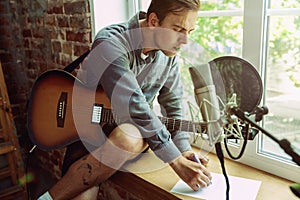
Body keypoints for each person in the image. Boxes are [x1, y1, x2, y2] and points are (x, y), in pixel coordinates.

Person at [38, 0, 212, 199]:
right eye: (178, 29)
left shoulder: (169, 54)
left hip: (129, 132)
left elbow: (173, 106)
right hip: (87, 133)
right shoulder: (110, 42)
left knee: (130, 135)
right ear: (154, 21)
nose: (185, 41)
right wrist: (175, 160)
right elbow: (135, 106)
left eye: (190, 31)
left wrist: (184, 150)